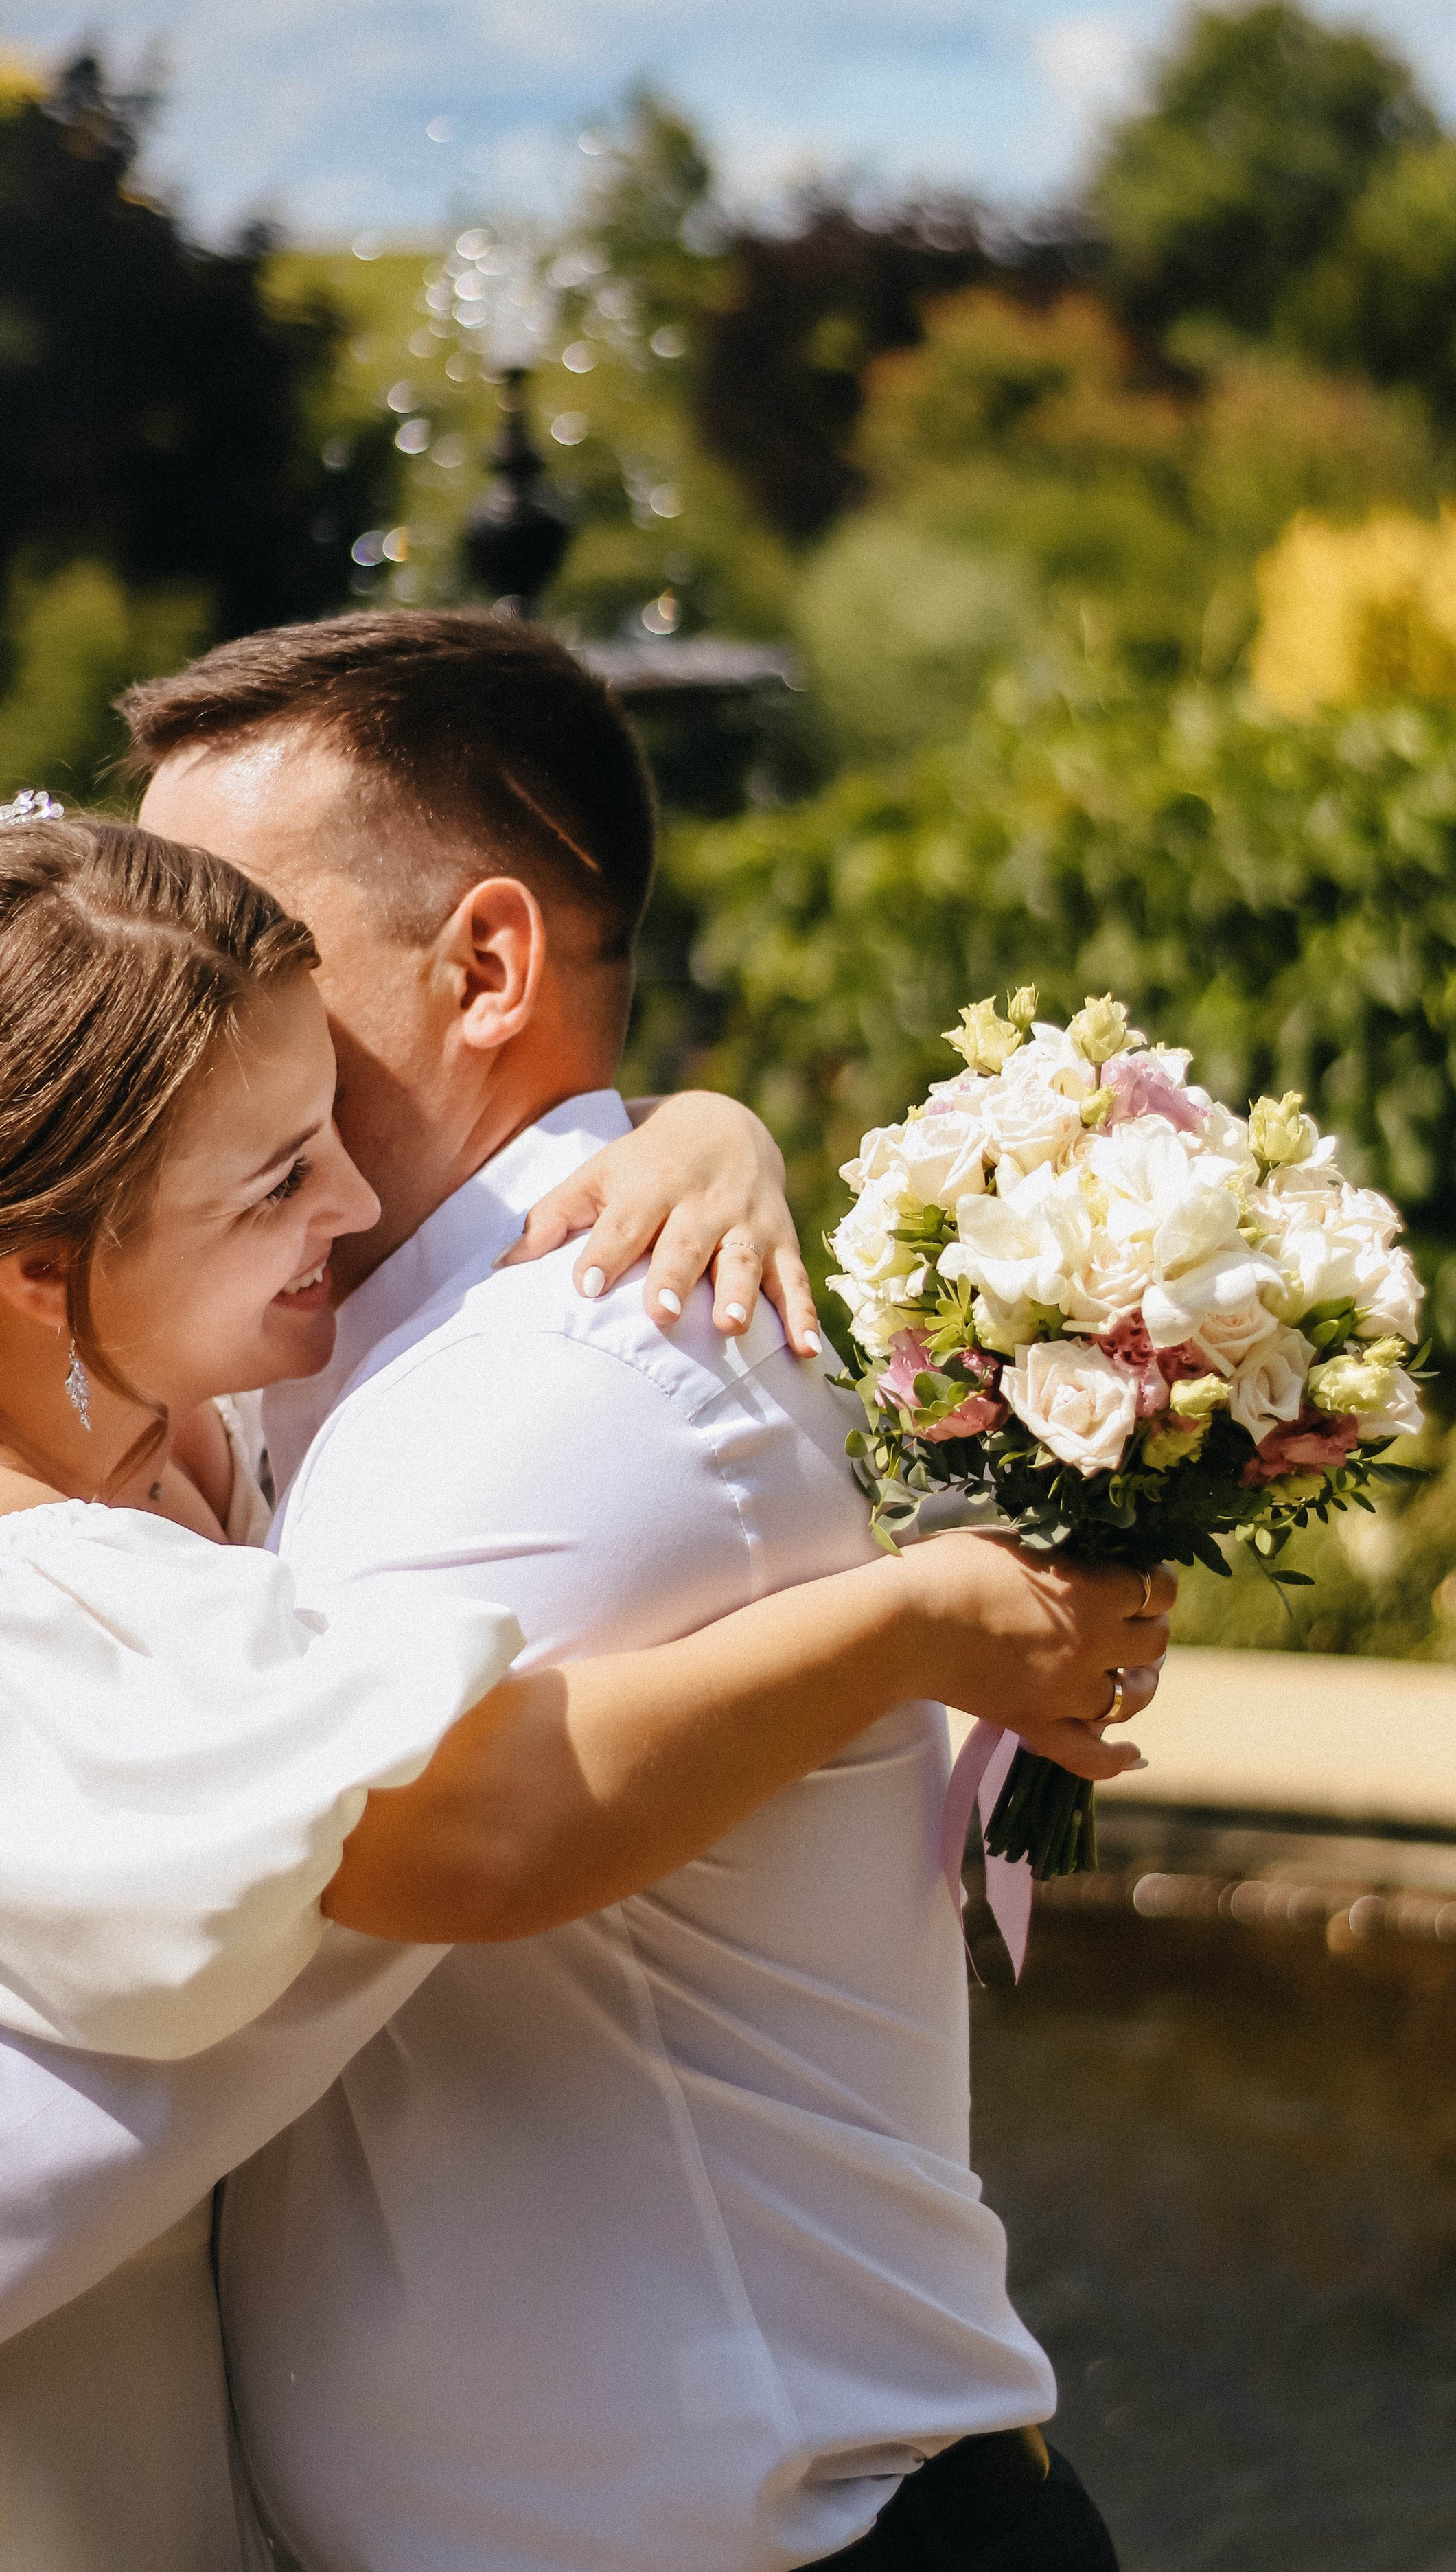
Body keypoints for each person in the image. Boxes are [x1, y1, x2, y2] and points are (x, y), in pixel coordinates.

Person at [0, 612, 1159, 2570]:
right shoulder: (284, 1383)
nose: (214, 979)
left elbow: (450, 1814)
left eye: (246, 922)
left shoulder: (545, 1375)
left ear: (488, 962)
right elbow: (436, 1823)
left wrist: (702, 1130)